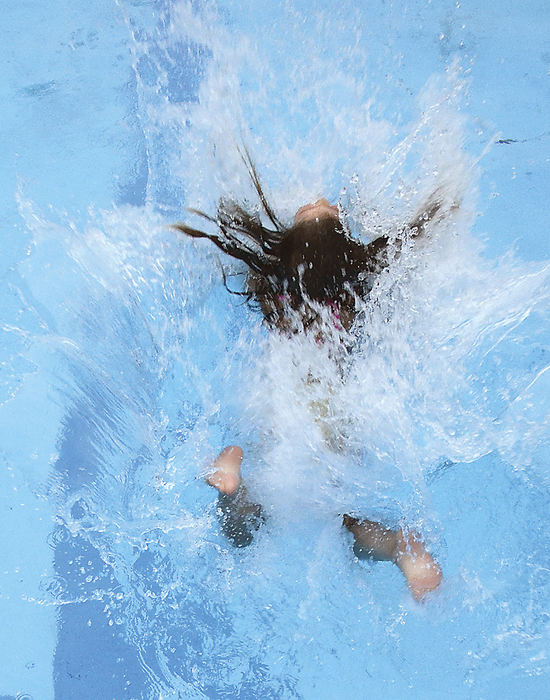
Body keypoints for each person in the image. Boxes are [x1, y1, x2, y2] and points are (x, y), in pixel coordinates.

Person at [174, 149, 444, 601]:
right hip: (334, 406)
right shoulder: (356, 288)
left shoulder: (274, 289)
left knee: (244, 526)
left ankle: (232, 466)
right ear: (346, 248)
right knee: (347, 515)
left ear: (288, 249)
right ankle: (398, 547)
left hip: (283, 393)